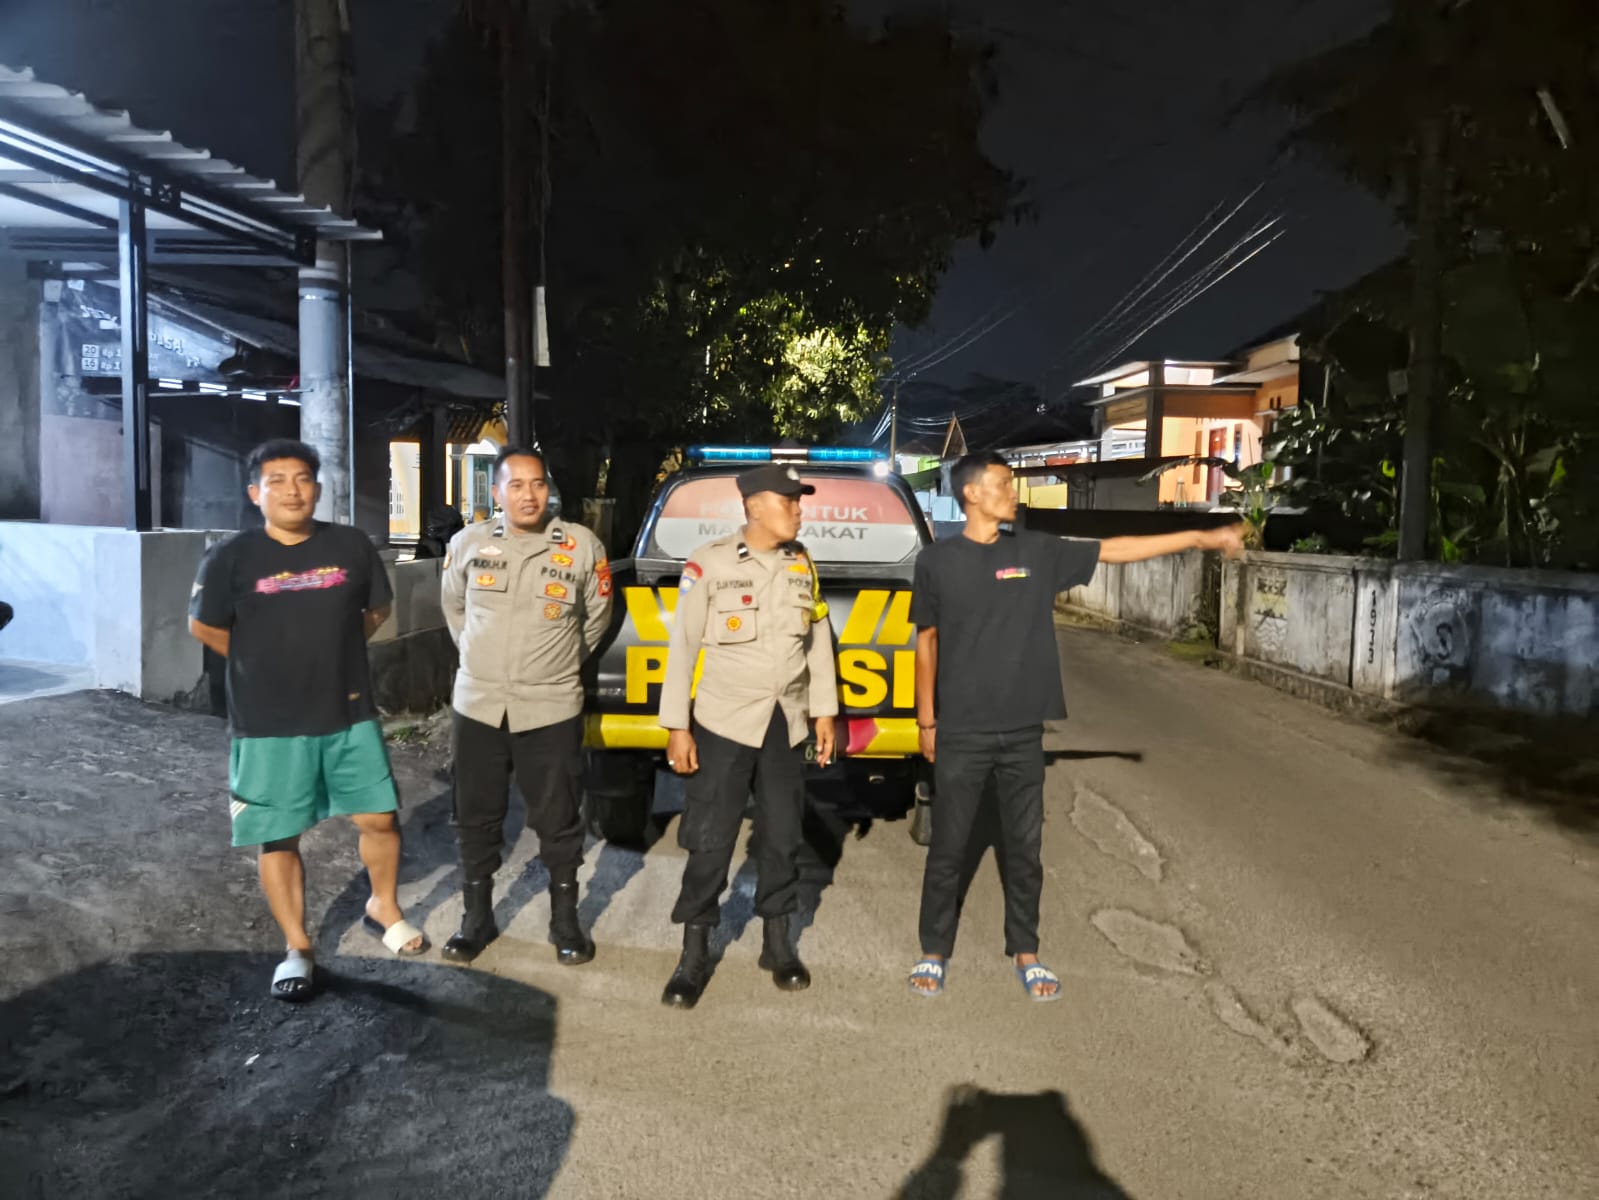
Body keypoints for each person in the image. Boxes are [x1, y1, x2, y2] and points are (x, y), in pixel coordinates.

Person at [907, 451, 1244, 1002]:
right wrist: (927, 720)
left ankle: (1027, 952)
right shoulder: (937, 562)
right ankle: (933, 951)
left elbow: (1115, 549)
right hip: (962, 730)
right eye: (1003, 484)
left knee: (1025, 849)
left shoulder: (1036, 552)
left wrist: (1200, 538)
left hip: (1022, 731)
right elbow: (926, 642)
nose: (1013, 493)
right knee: (949, 847)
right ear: (971, 493)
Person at [188, 438, 425, 1003]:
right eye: (277, 481)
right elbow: (205, 627)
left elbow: (376, 610)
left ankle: (383, 906)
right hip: (268, 722)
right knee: (278, 834)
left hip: (347, 711)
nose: (292, 491)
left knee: (378, 819)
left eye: (302, 479)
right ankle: (297, 946)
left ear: (317, 489)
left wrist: (331, 656)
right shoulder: (230, 557)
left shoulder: (350, 545)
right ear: (255, 494)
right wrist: (263, 667)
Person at [657, 463, 839, 1009]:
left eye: (799, 502)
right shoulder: (710, 563)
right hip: (723, 722)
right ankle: (693, 954)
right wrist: (677, 727)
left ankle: (777, 945)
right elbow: (683, 648)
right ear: (755, 506)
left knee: (782, 836)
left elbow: (818, 641)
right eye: (789, 502)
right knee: (710, 838)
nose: (798, 511)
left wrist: (824, 713)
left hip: (785, 722)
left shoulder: (801, 563)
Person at [438, 447, 613, 966]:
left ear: (548, 489)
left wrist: (554, 664)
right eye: (515, 485)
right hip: (479, 705)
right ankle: (477, 919)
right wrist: (481, 659)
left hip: (551, 705)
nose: (528, 495)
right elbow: (454, 609)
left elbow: (596, 618)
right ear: (497, 492)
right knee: (474, 815)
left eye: (537, 484)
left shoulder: (582, 547)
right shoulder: (468, 543)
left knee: (558, 819)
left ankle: (565, 922)